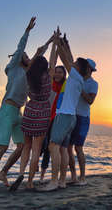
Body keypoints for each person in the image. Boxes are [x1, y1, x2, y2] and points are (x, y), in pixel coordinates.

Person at [0, 17, 36, 191]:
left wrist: (51, 42)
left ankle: (3, 172)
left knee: (22, 146)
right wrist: (27, 31)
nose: (28, 57)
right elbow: (20, 48)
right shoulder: (13, 68)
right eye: (26, 56)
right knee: (3, 147)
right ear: (20, 58)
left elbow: (38, 58)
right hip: (7, 110)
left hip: (18, 113)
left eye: (28, 56)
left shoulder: (28, 76)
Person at [10, 34, 58, 191]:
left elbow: (38, 53)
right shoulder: (48, 76)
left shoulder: (28, 74)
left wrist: (49, 41)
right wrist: (54, 44)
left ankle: (21, 173)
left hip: (30, 110)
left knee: (26, 147)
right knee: (36, 150)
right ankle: (30, 181)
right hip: (43, 112)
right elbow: (52, 61)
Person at [42, 31, 89, 191]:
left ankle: (54, 181)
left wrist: (57, 42)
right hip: (71, 118)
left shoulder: (75, 76)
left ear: (77, 68)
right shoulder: (79, 78)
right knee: (62, 149)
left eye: (75, 63)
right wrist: (65, 43)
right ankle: (62, 180)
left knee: (53, 146)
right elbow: (69, 57)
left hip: (65, 116)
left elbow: (64, 58)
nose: (72, 63)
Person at [68, 58, 98, 186]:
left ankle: (83, 177)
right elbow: (70, 60)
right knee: (68, 147)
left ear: (90, 70)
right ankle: (73, 176)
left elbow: (90, 100)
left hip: (83, 117)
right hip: (72, 115)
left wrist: (80, 89)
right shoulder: (76, 78)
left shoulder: (93, 84)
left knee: (78, 147)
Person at [39, 42, 67, 182]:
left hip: (55, 120)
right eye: (56, 71)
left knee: (49, 150)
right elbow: (52, 62)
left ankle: (43, 176)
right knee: (40, 147)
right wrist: (55, 45)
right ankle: (37, 170)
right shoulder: (50, 82)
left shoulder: (64, 86)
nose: (57, 73)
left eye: (60, 72)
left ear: (64, 75)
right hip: (43, 117)